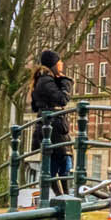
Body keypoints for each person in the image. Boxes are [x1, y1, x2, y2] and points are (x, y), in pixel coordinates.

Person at [29, 50, 73, 193]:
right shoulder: (46, 81)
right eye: (59, 61)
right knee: (63, 163)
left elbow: (35, 106)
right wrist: (66, 82)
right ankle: (64, 197)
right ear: (53, 64)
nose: (61, 64)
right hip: (54, 128)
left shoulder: (42, 80)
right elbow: (62, 99)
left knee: (57, 164)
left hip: (51, 126)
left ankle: (63, 197)